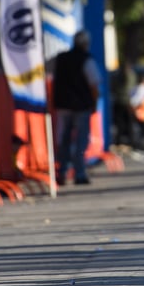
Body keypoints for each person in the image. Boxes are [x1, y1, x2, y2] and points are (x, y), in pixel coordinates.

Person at [51, 30, 100, 186]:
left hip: (63, 106)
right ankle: (79, 173)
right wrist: (94, 104)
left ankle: (62, 172)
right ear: (86, 44)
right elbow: (94, 85)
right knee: (80, 140)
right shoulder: (86, 60)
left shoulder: (61, 59)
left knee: (63, 140)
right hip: (81, 107)